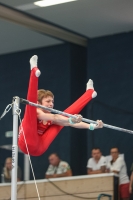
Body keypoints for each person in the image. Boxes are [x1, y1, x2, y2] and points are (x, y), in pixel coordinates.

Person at [18, 55, 103, 156]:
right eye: (48, 101)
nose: (51, 104)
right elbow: (55, 116)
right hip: (26, 143)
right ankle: (33, 71)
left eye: (52, 102)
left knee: (60, 122)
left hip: (40, 148)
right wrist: (71, 119)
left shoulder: (51, 118)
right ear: (38, 103)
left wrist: (92, 126)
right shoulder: (37, 111)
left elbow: (70, 123)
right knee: (31, 109)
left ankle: (89, 93)